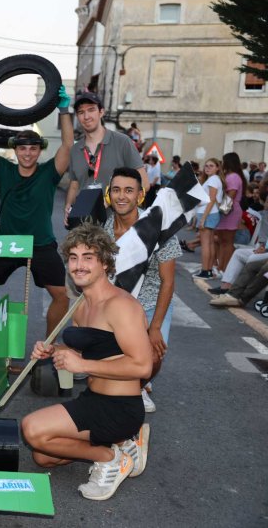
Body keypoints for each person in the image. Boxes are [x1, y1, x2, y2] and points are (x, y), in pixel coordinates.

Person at [21, 222, 152, 501]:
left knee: (32, 429)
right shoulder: (82, 303)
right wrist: (52, 350)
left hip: (120, 408)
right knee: (43, 455)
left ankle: (110, 457)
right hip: (93, 399)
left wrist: (82, 366)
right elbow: (90, 349)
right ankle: (123, 443)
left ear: (105, 262)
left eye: (88, 257)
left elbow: (143, 366)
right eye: (73, 258)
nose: (79, 265)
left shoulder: (121, 306)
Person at [0, 86, 73, 336]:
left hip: (40, 243)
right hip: (6, 243)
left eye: (32, 148)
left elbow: (68, 146)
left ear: (39, 150)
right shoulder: (5, 170)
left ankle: (47, 347)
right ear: (15, 150)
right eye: (22, 148)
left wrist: (64, 110)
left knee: (62, 295)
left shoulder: (49, 172)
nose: (27, 153)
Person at [104, 167, 180, 413]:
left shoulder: (159, 229)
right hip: (116, 306)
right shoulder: (103, 230)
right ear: (109, 194)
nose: (121, 196)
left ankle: (139, 386)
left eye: (128, 190)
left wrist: (155, 327)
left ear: (139, 195)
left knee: (154, 356)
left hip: (149, 304)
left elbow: (168, 282)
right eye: (116, 190)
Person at [64, 92, 147, 225]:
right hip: (84, 225)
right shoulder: (75, 149)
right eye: (81, 112)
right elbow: (74, 185)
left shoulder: (122, 142)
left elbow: (144, 184)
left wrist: (108, 200)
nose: (86, 116)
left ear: (101, 112)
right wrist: (68, 207)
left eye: (91, 110)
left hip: (119, 226)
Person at [215, 152, 247, 272]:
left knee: (227, 242)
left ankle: (225, 268)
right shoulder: (233, 175)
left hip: (229, 211)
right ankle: (221, 266)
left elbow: (231, 195)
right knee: (223, 241)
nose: (222, 164)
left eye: (223, 161)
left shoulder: (233, 177)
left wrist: (222, 210)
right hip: (228, 209)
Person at [193, 158, 223, 278]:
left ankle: (205, 271)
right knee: (210, 243)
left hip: (207, 214)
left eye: (211, 166)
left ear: (217, 168)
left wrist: (203, 218)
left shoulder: (213, 180)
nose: (208, 168)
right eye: (206, 166)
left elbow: (211, 200)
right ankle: (208, 270)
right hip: (211, 213)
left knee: (206, 244)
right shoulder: (214, 179)